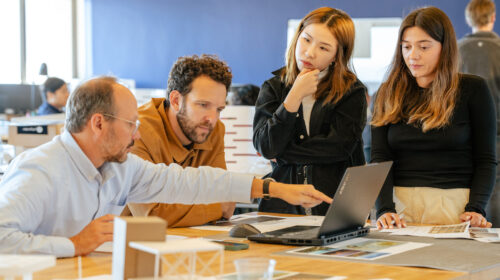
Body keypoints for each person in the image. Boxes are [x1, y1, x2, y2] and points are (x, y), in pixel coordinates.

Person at [0, 76, 331, 257]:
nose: (137, 132)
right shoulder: (40, 171)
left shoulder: (119, 166)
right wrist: (72, 245)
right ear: (98, 123)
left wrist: (269, 188)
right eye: (130, 124)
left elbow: (190, 182)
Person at [371, 6, 496, 229]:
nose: (413, 55)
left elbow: (485, 159)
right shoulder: (387, 92)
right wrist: (384, 209)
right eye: (406, 47)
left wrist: (476, 208)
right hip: (399, 209)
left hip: (455, 207)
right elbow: (379, 157)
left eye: (424, 47)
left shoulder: (473, 89)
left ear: (444, 48)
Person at [253, 7, 367, 215]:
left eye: (324, 48)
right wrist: (294, 96)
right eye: (306, 40)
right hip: (281, 206)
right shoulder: (273, 88)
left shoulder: (352, 92)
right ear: (297, 37)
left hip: (337, 205)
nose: (310, 52)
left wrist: (284, 152)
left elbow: (338, 148)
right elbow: (266, 146)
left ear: (336, 56)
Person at [126, 55, 236, 227]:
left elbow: (221, 192)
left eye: (219, 109)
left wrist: (216, 203)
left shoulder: (213, 129)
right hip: (125, 246)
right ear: (176, 101)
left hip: (190, 242)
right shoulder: (136, 130)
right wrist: (216, 208)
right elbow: (151, 214)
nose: (212, 119)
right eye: (203, 105)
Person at [459, 0, 500, 227]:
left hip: (462, 140)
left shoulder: (454, 51)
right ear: (493, 17)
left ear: (469, 19)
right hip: (497, 138)